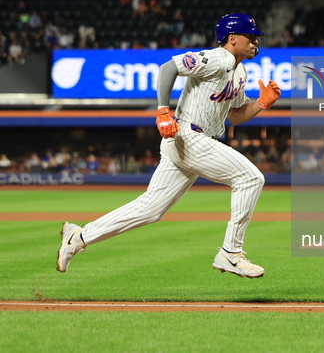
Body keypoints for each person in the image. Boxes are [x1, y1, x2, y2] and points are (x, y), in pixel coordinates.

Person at [56, 14, 281, 279]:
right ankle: (231, 254)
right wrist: (163, 110)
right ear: (232, 39)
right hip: (190, 137)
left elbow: (235, 115)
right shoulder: (218, 58)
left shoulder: (239, 70)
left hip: (189, 143)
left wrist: (261, 104)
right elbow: (168, 68)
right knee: (250, 178)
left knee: (150, 208)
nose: (255, 41)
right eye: (250, 36)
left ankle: (78, 236)